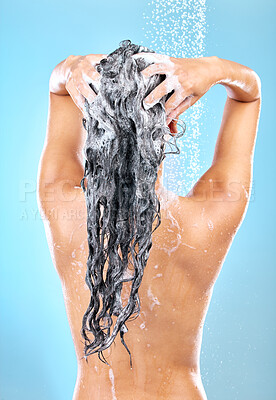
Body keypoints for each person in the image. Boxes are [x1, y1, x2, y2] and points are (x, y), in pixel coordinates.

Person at [37, 42, 261, 400]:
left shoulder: (61, 205)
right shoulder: (209, 218)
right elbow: (248, 97)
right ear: (171, 124)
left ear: (93, 128)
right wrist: (214, 67)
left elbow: (58, 89)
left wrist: (71, 66)